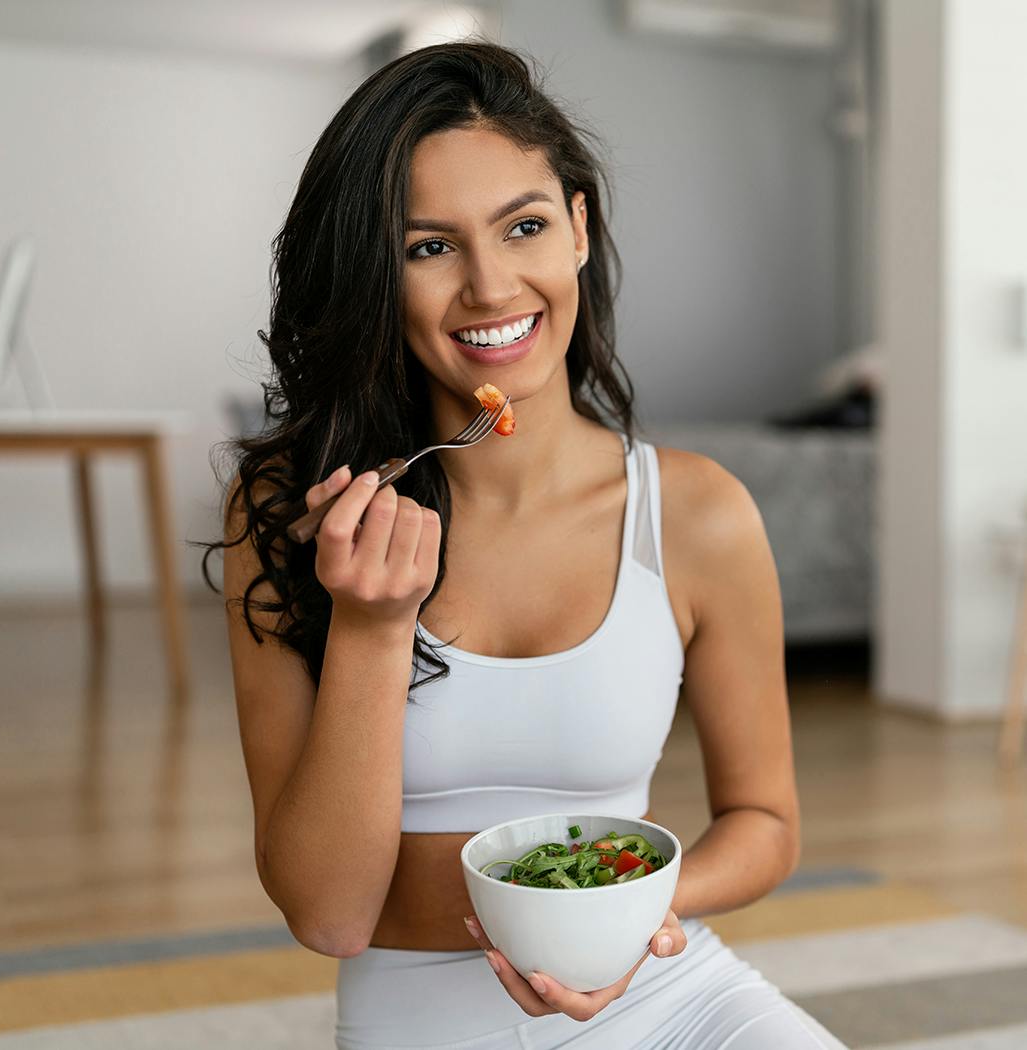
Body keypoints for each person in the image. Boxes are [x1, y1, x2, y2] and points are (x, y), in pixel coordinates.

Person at [204, 40, 848, 1050]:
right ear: (380, 274)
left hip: (672, 994)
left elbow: (766, 825)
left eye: (525, 226)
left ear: (578, 230)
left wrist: (632, 920)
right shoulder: (295, 516)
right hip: (425, 1018)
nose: (493, 286)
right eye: (429, 247)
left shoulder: (697, 513)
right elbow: (329, 915)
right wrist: (374, 628)